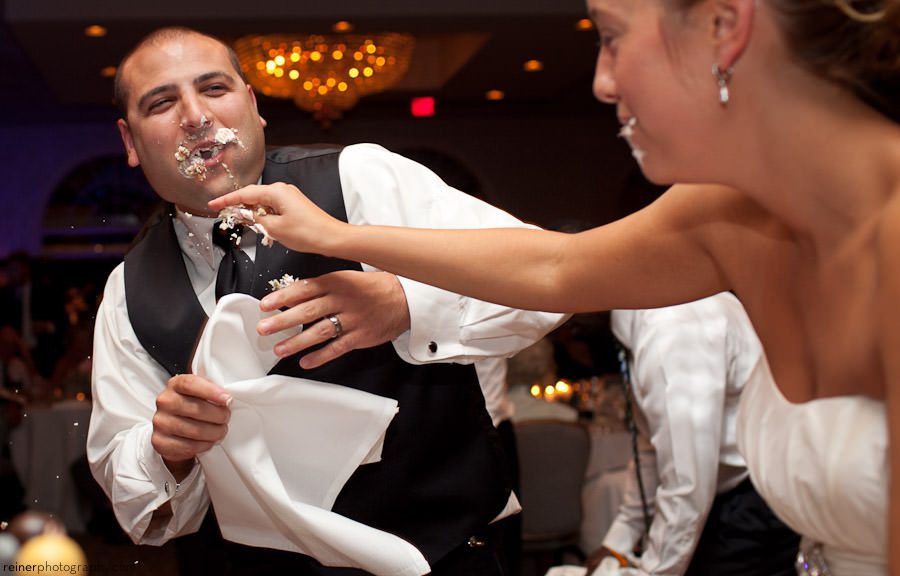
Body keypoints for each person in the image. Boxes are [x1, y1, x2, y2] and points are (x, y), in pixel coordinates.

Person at [210, 0, 899, 574]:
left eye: (611, 38)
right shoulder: (727, 212)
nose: (601, 82)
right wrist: (338, 236)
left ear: (725, 26)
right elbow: (555, 268)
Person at [86, 26, 565, 576]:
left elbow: (543, 282)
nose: (195, 116)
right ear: (129, 141)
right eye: (162, 103)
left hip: (443, 555)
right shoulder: (128, 289)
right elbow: (135, 502)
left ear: (253, 105)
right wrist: (167, 450)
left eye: (214, 88)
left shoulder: (360, 179)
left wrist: (406, 305)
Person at [585, 293, 798, 575]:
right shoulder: (648, 313)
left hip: (750, 509)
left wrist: (654, 571)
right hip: (723, 503)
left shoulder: (675, 325)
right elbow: (652, 449)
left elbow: (686, 484)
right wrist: (618, 541)